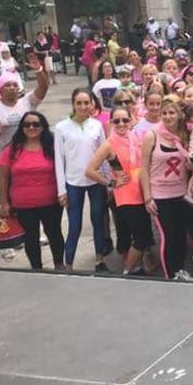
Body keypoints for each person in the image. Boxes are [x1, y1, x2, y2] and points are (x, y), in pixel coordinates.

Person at [85, 106, 152, 276]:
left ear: (131, 121)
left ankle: (136, 268)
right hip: (126, 195)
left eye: (125, 120)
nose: (121, 124)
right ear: (111, 123)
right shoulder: (109, 144)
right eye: (117, 121)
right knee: (140, 238)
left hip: (142, 191)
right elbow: (90, 170)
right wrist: (111, 183)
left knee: (143, 236)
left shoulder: (137, 138)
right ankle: (127, 271)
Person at [0, 112, 63, 269]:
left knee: (54, 234)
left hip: (51, 202)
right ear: (21, 128)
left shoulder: (53, 146)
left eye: (36, 124)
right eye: (27, 125)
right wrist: (4, 202)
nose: (31, 127)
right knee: (30, 238)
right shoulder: (12, 149)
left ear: (43, 126)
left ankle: (59, 265)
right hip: (22, 205)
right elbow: (3, 177)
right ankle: (36, 268)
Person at [140, 98, 193, 281]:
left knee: (180, 235)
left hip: (180, 192)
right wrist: (147, 198)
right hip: (159, 195)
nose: (168, 116)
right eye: (164, 113)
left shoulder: (184, 135)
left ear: (179, 115)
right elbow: (144, 168)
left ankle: (180, 271)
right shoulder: (152, 135)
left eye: (172, 113)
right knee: (168, 236)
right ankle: (170, 275)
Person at [54, 88, 108, 271]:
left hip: (96, 182)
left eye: (87, 103)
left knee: (98, 220)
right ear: (73, 104)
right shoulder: (61, 128)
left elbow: (104, 154)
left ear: (92, 104)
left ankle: (100, 259)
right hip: (73, 183)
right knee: (75, 224)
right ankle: (69, 263)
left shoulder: (97, 126)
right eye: (79, 103)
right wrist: (61, 190)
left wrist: (107, 181)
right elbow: (59, 161)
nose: (83, 106)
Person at [0, 58, 49, 169]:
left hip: (27, 156)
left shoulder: (27, 101)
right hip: (3, 159)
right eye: (8, 85)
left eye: (15, 85)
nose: (12, 88)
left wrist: (38, 70)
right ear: (0, 89)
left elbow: (43, 88)